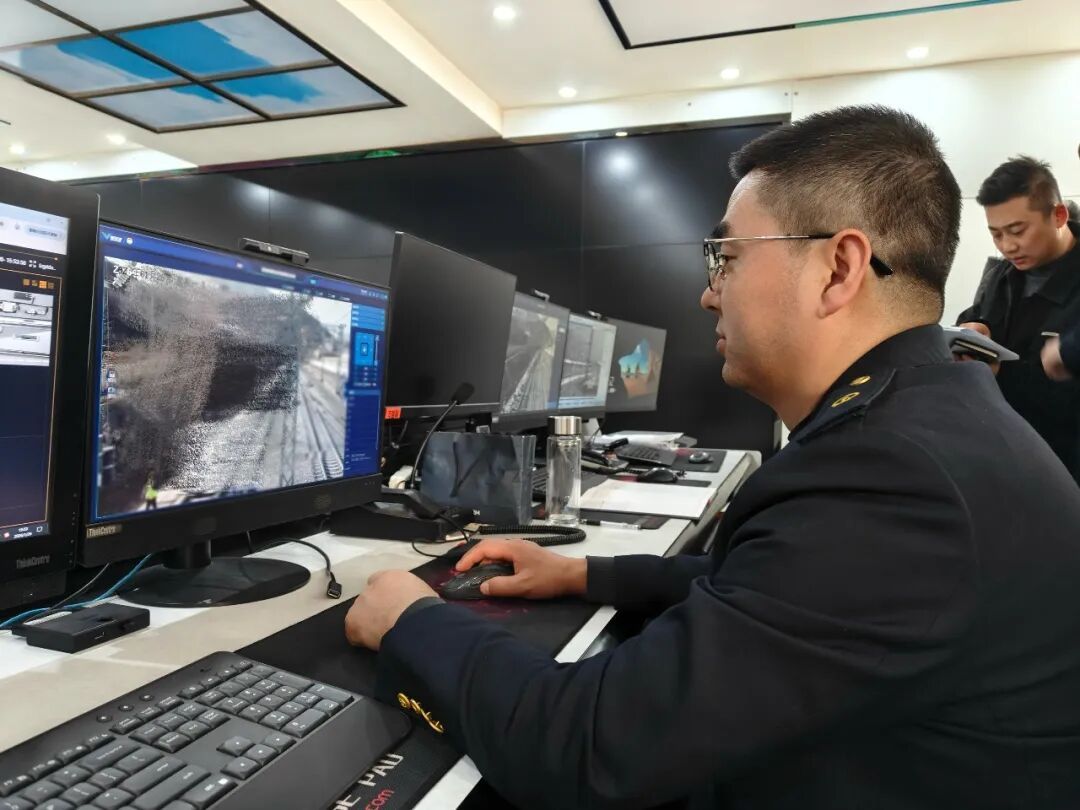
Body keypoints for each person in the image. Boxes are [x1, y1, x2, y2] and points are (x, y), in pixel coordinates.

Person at [345, 107, 1080, 809]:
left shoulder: (893, 478)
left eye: (726, 258)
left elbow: (586, 749)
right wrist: (580, 573)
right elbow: (769, 586)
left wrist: (412, 621)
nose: (707, 294)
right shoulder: (923, 417)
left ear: (838, 269)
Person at [956, 156, 1080, 484]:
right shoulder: (1004, 273)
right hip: (1001, 453)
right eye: (996, 234)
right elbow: (979, 314)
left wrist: (1003, 374)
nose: (1008, 246)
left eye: (1017, 231)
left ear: (1058, 215)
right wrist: (974, 326)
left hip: (1063, 472)